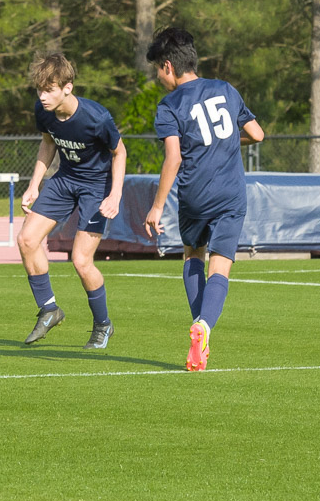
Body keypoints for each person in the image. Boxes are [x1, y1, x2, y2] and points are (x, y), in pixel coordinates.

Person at [142, 27, 264, 371]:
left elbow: (174, 158)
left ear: (168, 66)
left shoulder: (169, 105)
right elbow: (257, 134)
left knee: (193, 255)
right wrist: (225, 144)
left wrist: (156, 206)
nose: (158, 77)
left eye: (157, 70)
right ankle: (204, 326)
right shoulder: (225, 89)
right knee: (220, 265)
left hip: (195, 196)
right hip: (230, 195)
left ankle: (200, 326)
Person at [17, 52, 127, 349]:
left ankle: (103, 325)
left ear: (68, 87)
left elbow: (120, 153)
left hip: (96, 187)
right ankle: (50, 309)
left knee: (81, 260)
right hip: (65, 180)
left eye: (49, 90)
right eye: (39, 90)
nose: (42, 96)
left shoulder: (96, 117)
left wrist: (115, 194)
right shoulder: (44, 112)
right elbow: (48, 143)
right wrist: (34, 185)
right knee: (27, 240)